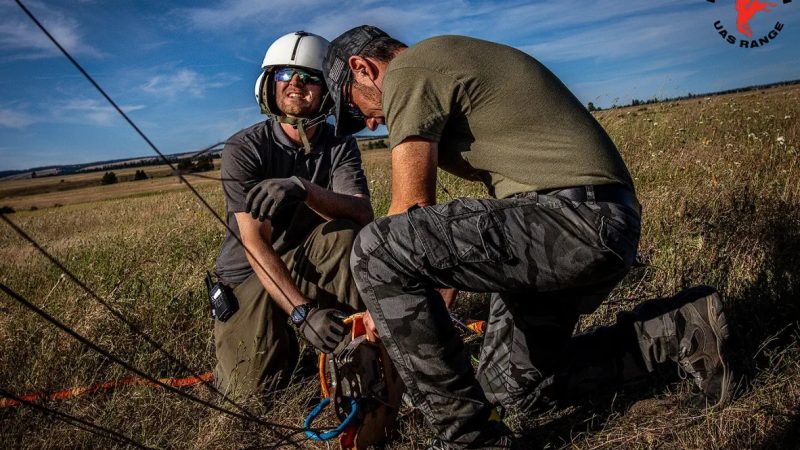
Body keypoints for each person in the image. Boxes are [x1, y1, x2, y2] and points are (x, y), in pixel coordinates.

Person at [322, 26, 732, 449]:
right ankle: (679, 329)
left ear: (363, 67)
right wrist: (421, 317)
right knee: (508, 391)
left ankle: (470, 442)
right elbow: (435, 248)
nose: (369, 123)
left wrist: (379, 309)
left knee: (375, 248)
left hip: (577, 221)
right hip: (591, 225)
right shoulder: (445, 64)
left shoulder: (409, 68)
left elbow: (411, 209)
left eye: (356, 111)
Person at [213, 31, 373, 398]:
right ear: (269, 84)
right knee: (253, 395)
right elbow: (255, 243)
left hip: (310, 261)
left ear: (328, 90)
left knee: (345, 235)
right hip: (251, 273)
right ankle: (287, 338)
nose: (296, 84)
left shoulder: (340, 144)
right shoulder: (245, 148)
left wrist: (303, 188)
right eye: (286, 74)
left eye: (310, 77)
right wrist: (303, 315)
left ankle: (358, 351)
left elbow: (362, 212)